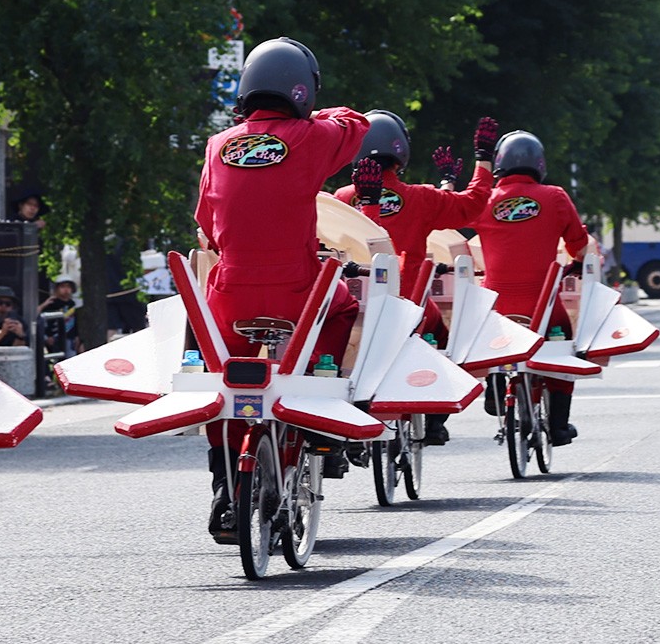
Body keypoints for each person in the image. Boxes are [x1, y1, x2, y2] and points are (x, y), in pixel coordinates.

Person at [195, 37, 369, 539]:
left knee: (226, 385)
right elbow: (355, 125)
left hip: (231, 294)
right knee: (342, 314)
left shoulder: (216, 145)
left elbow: (206, 224)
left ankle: (224, 494)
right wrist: (321, 112)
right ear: (302, 91)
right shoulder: (311, 136)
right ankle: (321, 421)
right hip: (298, 288)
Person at [333, 110, 496, 442]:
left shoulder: (342, 199)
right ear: (400, 152)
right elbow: (472, 204)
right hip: (407, 307)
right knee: (440, 328)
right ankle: (436, 417)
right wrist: (483, 161)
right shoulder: (421, 198)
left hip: (355, 311)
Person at [476, 129, 591, 446]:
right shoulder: (555, 197)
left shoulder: (485, 200)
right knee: (564, 344)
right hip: (543, 306)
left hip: (496, 309)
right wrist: (577, 264)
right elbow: (578, 243)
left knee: (489, 341)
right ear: (539, 164)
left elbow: (452, 218)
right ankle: (558, 425)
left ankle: (496, 382)